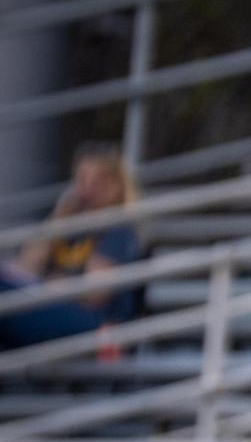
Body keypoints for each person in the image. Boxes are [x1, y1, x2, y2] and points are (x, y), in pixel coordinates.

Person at [0, 145, 144, 348]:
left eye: (99, 180)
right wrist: (56, 222)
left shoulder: (118, 228)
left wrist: (50, 285)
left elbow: (95, 294)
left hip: (95, 323)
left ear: (116, 185)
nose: (89, 187)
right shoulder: (68, 222)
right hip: (51, 307)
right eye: (83, 179)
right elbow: (26, 267)